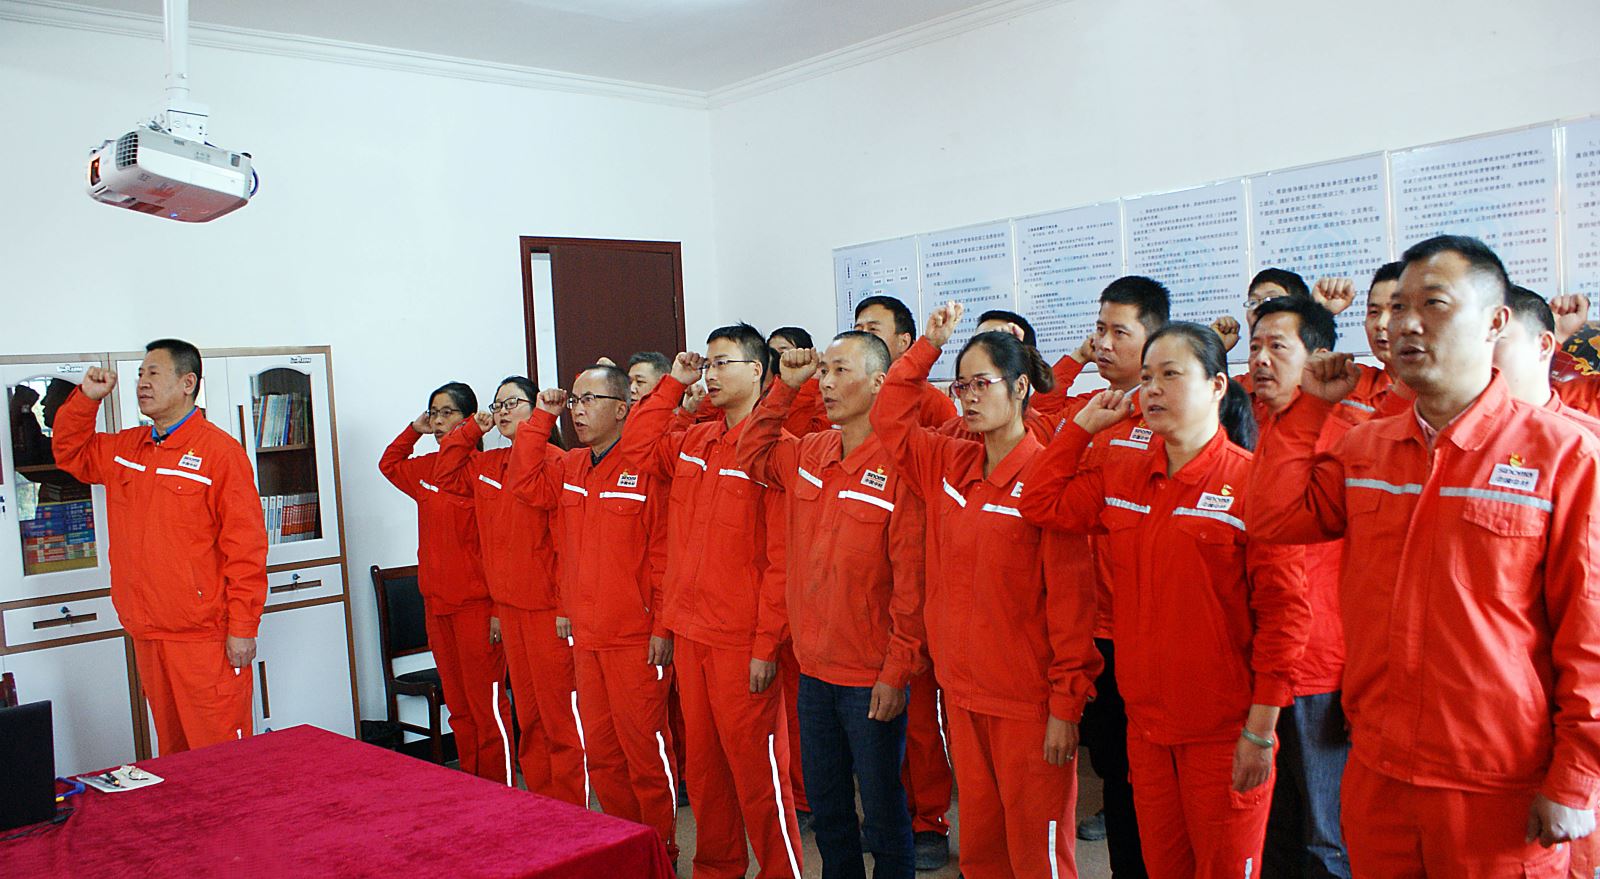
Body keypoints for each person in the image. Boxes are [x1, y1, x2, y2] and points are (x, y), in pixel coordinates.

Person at [1249, 235, 1600, 876]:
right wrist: (1309, 410)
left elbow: (1591, 634)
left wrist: (1577, 775)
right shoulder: (1367, 448)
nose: (1403, 323)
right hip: (1379, 769)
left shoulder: (1563, 455)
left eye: (1433, 304)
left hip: (1496, 784)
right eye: (1395, 307)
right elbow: (1275, 518)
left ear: (1494, 322)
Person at [1021, 321, 1309, 877]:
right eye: (1148, 377)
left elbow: (1286, 620)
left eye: (1170, 375)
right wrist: (1080, 429)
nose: (1152, 389)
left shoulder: (1255, 485)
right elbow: (1041, 502)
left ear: (1218, 386)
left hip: (1224, 733)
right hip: (1147, 728)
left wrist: (1260, 730)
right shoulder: (1124, 473)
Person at [871, 302, 1101, 879]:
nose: (969, 398)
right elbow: (889, 417)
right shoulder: (948, 461)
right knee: (981, 849)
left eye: (982, 384)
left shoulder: (1047, 480)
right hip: (963, 695)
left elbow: (1072, 609)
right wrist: (927, 347)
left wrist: (1065, 707)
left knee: (1037, 854)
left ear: (1020, 387)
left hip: (1027, 706)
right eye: (961, 386)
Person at [737, 331, 928, 878]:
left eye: (841, 371)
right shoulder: (811, 451)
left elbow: (912, 585)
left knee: (883, 811)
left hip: (870, 676)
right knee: (829, 811)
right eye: (824, 370)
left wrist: (896, 671)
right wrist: (784, 387)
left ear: (879, 382)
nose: (826, 382)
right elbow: (752, 454)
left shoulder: (900, 465)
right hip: (814, 671)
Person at [632, 326, 803, 879]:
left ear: (757, 371)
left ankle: (781, 871)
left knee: (759, 775)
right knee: (705, 773)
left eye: (722, 362)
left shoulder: (776, 450)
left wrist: (766, 645)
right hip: (691, 633)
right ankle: (718, 868)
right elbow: (636, 447)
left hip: (741, 641)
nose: (710, 373)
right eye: (707, 363)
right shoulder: (695, 441)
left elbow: (781, 561)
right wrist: (672, 385)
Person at [51, 339, 267, 754]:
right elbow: (70, 453)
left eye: (154, 373)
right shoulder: (127, 449)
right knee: (173, 755)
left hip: (203, 638)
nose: (142, 383)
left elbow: (246, 550)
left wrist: (243, 628)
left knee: (221, 755)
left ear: (188, 383)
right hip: (148, 632)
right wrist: (86, 399)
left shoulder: (220, 454)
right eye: (140, 374)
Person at [506, 365, 680, 864]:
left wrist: (662, 627)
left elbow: (664, 554)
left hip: (636, 639)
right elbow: (525, 483)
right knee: (602, 755)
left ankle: (662, 851)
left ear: (622, 409)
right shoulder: (572, 466)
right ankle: (627, 847)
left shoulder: (646, 467)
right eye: (575, 401)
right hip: (586, 638)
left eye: (589, 400)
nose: (578, 411)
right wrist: (542, 418)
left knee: (645, 753)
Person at [1052, 275, 1173, 878]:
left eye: (1117, 332)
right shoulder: (1087, 412)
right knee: (1115, 774)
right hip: (1092, 630)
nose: (1102, 343)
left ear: (1153, 339)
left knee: (1153, 787)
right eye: (1098, 329)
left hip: (1150, 634)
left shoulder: (1172, 421)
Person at [434, 375, 586, 806]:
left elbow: (566, 543)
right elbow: (445, 471)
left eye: (511, 403)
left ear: (536, 409)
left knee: (559, 719)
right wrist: (471, 429)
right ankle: (541, 807)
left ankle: (574, 815)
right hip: (511, 609)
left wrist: (565, 606)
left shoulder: (557, 462)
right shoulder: (488, 464)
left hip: (548, 612)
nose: (501, 412)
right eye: (496, 404)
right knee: (530, 719)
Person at [1246, 298, 1354, 878]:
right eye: (1254, 346)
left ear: (1317, 357)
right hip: (1262, 660)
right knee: (1273, 829)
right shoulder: (1256, 424)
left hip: (1319, 666)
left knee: (1323, 835)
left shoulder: (1346, 433)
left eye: (1277, 347)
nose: (1260, 359)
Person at [853, 294, 958, 867]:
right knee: (880, 714)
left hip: (922, 567)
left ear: (904, 342)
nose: (864, 335)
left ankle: (929, 819)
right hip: (872, 575)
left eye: (875, 328)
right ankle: (890, 812)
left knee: (920, 718)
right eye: (858, 327)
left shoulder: (934, 403)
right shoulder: (849, 404)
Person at [379, 382, 512, 785]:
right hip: (437, 606)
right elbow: (389, 464)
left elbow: (500, 546)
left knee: (486, 707)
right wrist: (413, 430)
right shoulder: (426, 470)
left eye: (446, 413)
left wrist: (497, 609)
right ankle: (473, 788)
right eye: (433, 413)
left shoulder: (484, 471)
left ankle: (503, 792)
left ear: (470, 419)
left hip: (476, 608)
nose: (437, 421)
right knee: (459, 709)